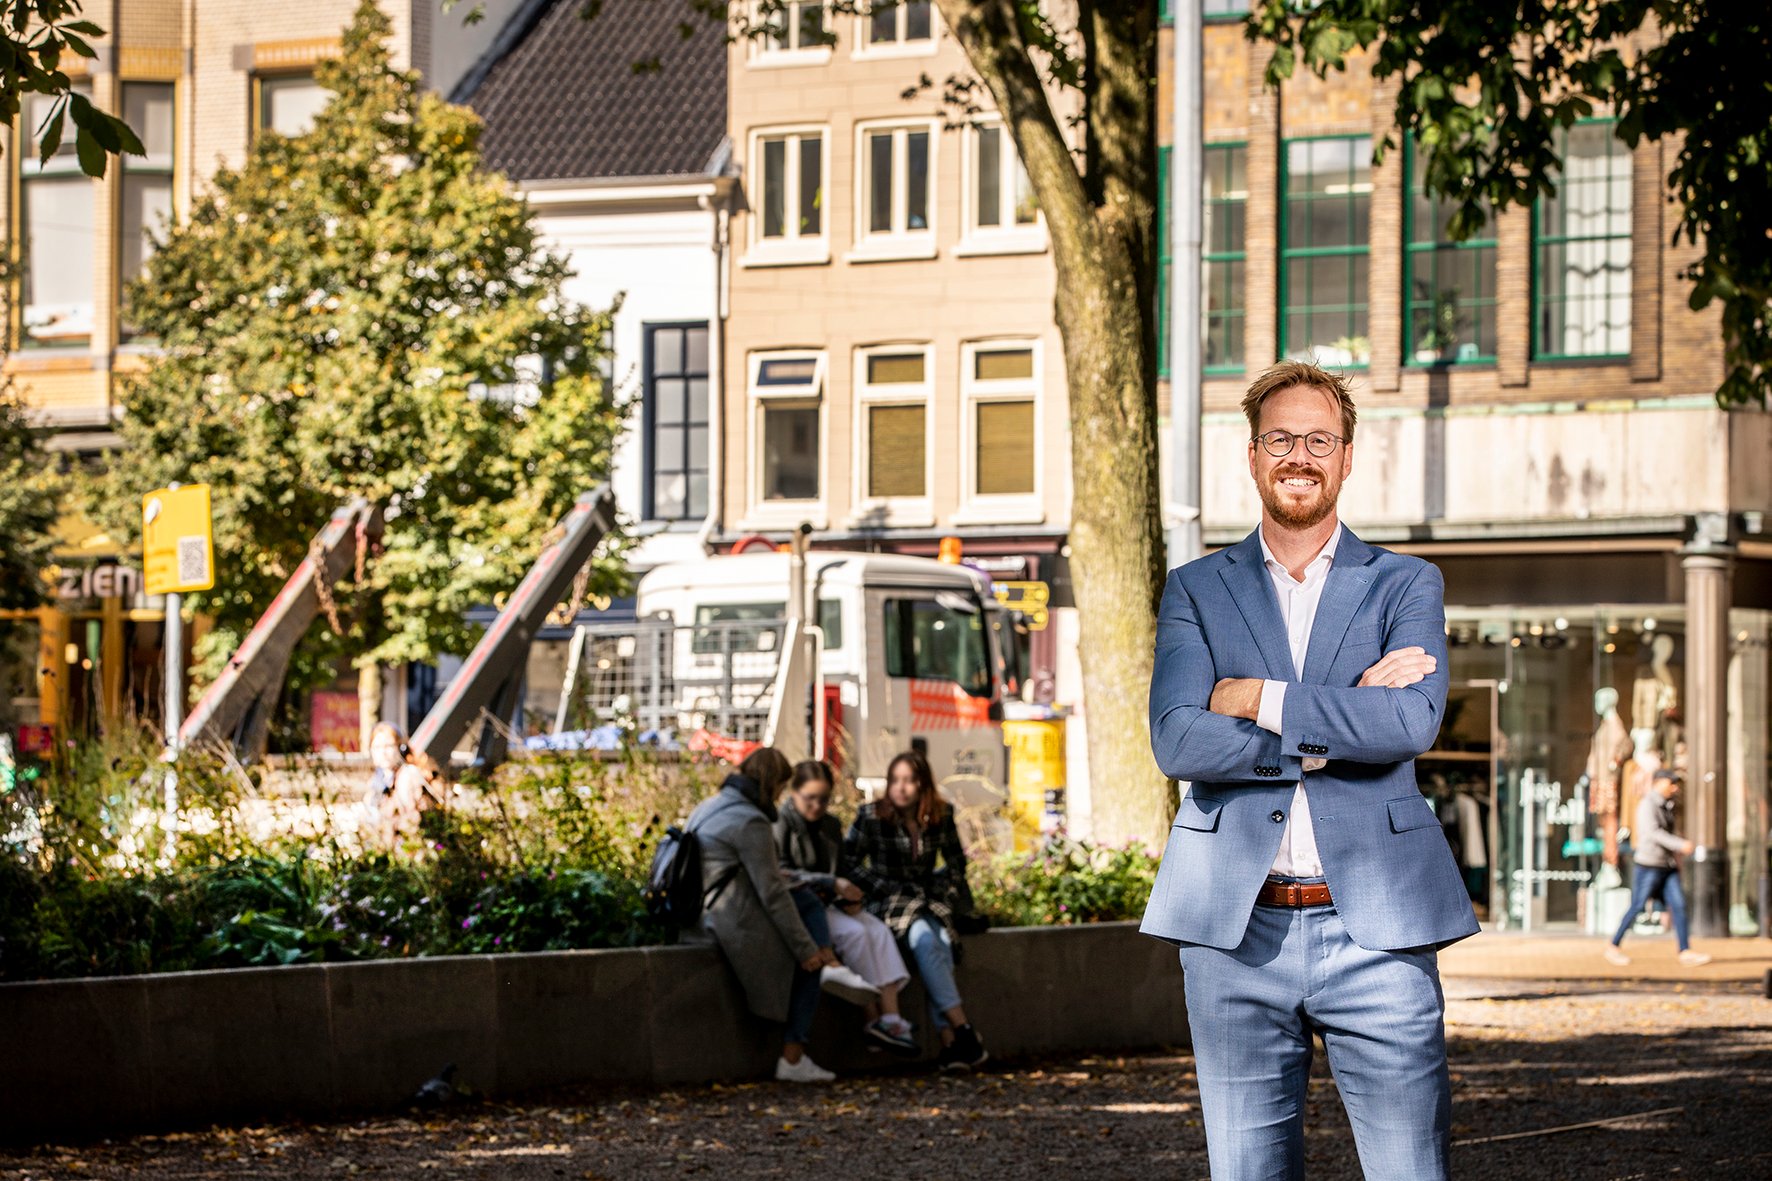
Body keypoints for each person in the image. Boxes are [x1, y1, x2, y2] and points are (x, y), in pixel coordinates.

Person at [1140, 361, 1479, 1180]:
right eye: (1282, 438)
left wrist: (1256, 696)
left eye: (1319, 439)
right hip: (1233, 931)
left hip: (1382, 930)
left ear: (1348, 455)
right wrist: (1334, 718)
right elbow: (1179, 741)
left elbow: (1408, 721)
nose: (1301, 455)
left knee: (1410, 1169)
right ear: (1254, 456)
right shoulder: (1194, 589)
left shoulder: (1406, 582)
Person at [682, 747, 836, 1083]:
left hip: (697, 912)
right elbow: (771, 893)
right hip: (726, 921)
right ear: (773, 785)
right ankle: (793, 1058)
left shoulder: (711, 806)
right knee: (808, 958)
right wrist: (806, 949)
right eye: (781, 788)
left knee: (806, 903)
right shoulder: (751, 820)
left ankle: (831, 963)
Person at [843, 750, 989, 1071]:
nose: (901, 788)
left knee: (941, 944)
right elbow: (848, 862)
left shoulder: (940, 815)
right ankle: (962, 1031)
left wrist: (940, 890)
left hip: (926, 898)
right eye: (895, 780)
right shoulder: (870, 816)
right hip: (889, 900)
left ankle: (952, 1045)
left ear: (922, 784)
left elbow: (956, 865)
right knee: (925, 939)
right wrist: (879, 886)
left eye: (909, 781)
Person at [775, 760, 919, 1054]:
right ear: (794, 794)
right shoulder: (780, 824)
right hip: (804, 906)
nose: (817, 806)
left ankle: (891, 1018)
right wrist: (832, 883)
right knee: (855, 934)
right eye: (810, 798)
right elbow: (782, 873)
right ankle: (873, 1019)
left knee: (878, 932)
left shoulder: (829, 825)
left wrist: (851, 896)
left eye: (823, 799)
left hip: (831, 903)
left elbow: (843, 869)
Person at [1605, 769, 1712, 967]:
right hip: (1649, 865)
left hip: (1666, 865)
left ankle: (1685, 950)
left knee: (1679, 905)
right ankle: (1614, 946)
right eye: (1671, 783)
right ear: (1659, 782)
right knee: (1638, 905)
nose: (1675, 788)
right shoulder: (1648, 804)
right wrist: (1680, 845)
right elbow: (1653, 832)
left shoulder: (1667, 805)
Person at [363, 722, 441, 845]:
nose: (382, 752)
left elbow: (412, 822)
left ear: (401, 748)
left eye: (388, 746)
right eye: (377, 747)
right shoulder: (376, 781)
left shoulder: (407, 776)